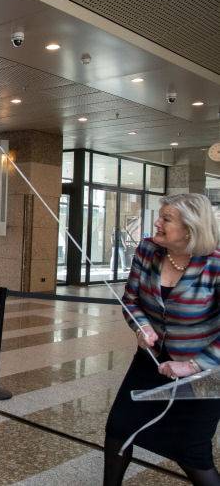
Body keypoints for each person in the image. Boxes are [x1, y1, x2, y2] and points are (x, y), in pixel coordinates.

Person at [104, 193, 220, 486]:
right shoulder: (147, 250)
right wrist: (142, 326)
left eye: (166, 218)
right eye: (160, 216)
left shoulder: (215, 264)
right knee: (119, 430)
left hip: (204, 371)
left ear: (190, 228)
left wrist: (192, 366)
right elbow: (131, 300)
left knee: (192, 452)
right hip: (151, 361)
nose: (156, 223)